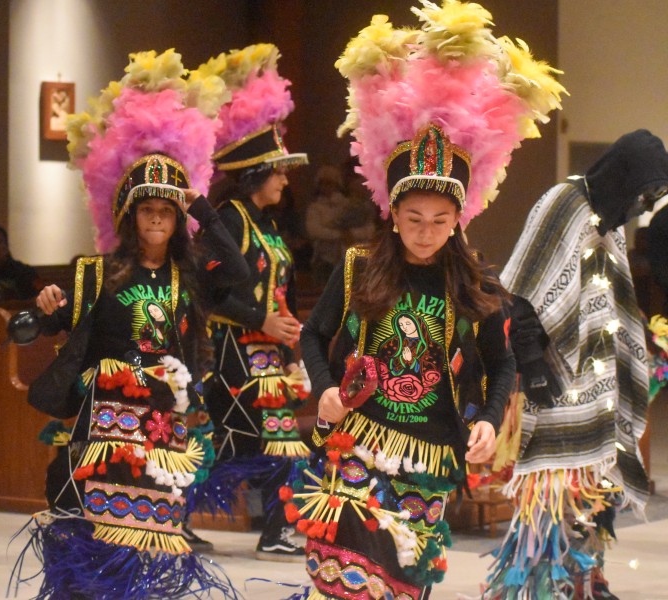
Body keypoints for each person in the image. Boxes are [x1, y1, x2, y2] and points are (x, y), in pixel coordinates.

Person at [283, 4, 566, 598]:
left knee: (402, 581)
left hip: (432, 450)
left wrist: (489, 421)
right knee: (343, 575)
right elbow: (314, 335)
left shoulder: (472, 281)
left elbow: (503, 361)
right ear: (393, 214)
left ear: (458, 220)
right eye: (414, 218)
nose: (426, 231)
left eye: (440, 220)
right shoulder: (360, 265)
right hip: (356, 440)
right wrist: (325, 387)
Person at [14, 50, 247, 599]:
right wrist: (43, 309)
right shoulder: (96, 274)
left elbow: (237, 272)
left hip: (160, 424)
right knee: (97, 526)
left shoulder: (188, 276)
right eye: (149, 211)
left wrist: (203, 209)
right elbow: (26, 331)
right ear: (129, 217)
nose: (159, 220)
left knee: (147, 529)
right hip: (103, 425)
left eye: (167, 211)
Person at [483, 130, 667, 599]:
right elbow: (522, 291)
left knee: (595, 485)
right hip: (556, 377)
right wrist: (532, 363)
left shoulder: (607, 220)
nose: (643, 208)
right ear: (622, 176)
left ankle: (588, 576)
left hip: (597, 381)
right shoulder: (562, 204)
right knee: (555, 490)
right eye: (644, 194)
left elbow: (609, 297)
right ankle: (547, 582)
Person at [195, 44, 312, 561]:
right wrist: (259, 318)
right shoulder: (228, 220)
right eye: (278, 171)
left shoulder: (264, 224)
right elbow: (205, 295)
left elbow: (276, 290)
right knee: (233, 439)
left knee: (250, 440)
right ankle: (269, 530)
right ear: (253, 174)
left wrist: (287, 331)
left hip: (266, 350)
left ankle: (275, 530)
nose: (286, 180)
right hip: (230, 350)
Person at [305, 165, 350, 283]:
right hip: (325, 260)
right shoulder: (315, 208)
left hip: (349, 258)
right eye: (323, 184)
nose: (326, 187)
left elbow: (368, 228)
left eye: (330, 183)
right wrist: (339, 235)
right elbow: (314, 230)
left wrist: (351, 234)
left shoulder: (347, 205)